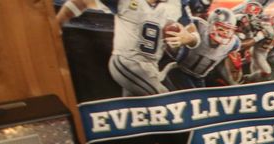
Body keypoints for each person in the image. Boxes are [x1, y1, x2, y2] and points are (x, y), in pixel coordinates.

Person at [57, 0, 201, 97]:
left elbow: (194, 35)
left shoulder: (177, 4)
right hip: (126, 62)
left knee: (135, 113)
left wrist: (188, 38)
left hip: (150, 67)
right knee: (164, 101)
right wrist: (56, 23)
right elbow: (82, 2)